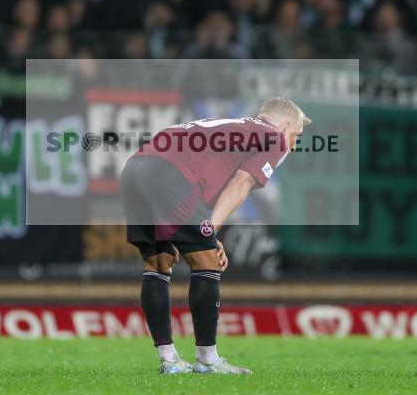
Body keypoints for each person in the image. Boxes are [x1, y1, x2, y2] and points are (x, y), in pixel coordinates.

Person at [120, 97, 309, 374]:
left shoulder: (233, 127)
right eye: (297, 136)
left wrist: (205, 231)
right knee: (208, 262)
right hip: (170, 175)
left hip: (135, 168)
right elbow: (241, 182)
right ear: (285, 126)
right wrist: (210, 230)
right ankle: (208, 360)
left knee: (157, 264)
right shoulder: (274, 139)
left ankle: (169, 360)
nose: (294, 145)